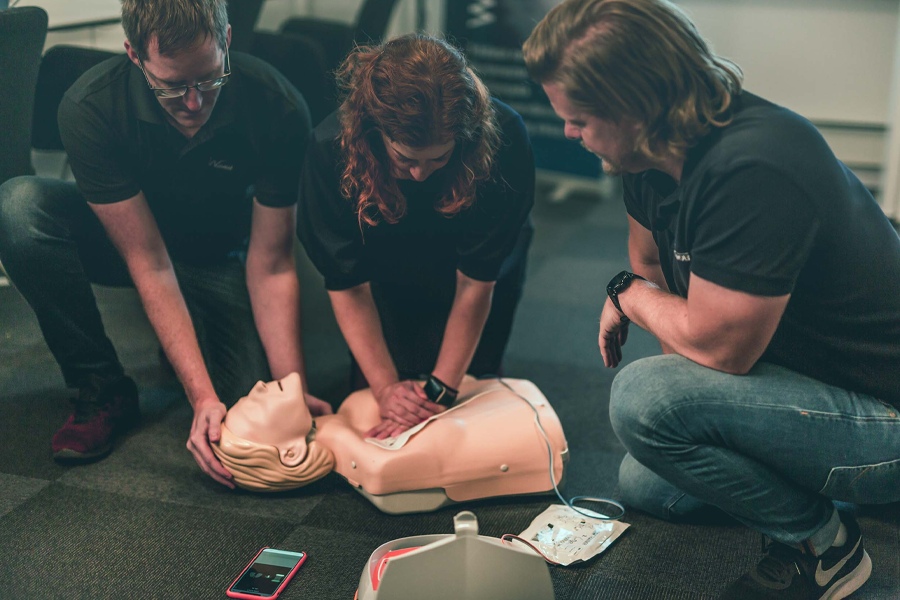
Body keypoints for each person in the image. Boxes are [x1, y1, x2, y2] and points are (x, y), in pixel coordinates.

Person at [523, 1, 900, 599]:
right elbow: (650, 268)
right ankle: (820, 480)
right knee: (647, 482)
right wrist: (643, 295)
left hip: (886, 413)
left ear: (638, 106)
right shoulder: (643, 159)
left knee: (642, 398)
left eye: (582, 118)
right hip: (808, 384)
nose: (568, 132)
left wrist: (626, 294)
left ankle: (824, 543)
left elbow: (716, 349)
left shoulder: (758, 164)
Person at [0, 0, 330, 488]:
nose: (195, 103)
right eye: (173, 87)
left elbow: (274, 263)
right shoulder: (90, 107)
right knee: (18, 207)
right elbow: (149, 262)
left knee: (249, 423)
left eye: (209, 79)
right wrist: (200, 397)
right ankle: (102, 385)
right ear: (134, 55)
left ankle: (186, 336)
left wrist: (290, 391)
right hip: (133, 245)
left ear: (228, 41)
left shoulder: (278, 106)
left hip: (217, 254)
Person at [297, 34, 535, 441]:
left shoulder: (503, 138)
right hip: (383, 255)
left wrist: (442, 389)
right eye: (406, 159)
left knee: (471, 394)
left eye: (438, 159)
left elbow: (476, 281)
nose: (421, 174)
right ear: (376, 131)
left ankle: (474, 368)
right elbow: (347, 283)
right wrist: (387, 387)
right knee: (379, 392)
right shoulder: (331, 149)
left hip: (471, 258)